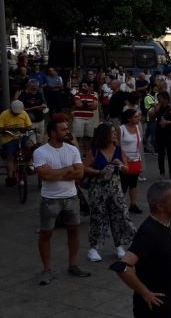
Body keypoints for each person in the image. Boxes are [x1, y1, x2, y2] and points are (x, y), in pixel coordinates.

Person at [110, 181, 171, 318]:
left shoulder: (164, 223)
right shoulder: (149, 233)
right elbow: (122, 266)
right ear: (160, 206)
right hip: (153, 307)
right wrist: (144, 292)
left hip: (168, 298)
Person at [33, 119, 90, 285]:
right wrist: (67, 170)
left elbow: (79, 174)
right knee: (46, 233)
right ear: (52, 132)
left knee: (74, 232)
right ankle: (47, 269)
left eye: (67, 128)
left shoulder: (72, 149)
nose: (67, 131)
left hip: (71, 197)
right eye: (63, 129)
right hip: (50, 199)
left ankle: (73, 265)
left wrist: (55, 173)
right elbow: (46, 176)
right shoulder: (41, 152)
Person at [82, 123, 136, 263]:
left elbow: (127, 169)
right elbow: (84, 168)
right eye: (111, 132)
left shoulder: (118, 150)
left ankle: (119, 245)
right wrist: (99, 171)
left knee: (120, 215)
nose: (115, 134)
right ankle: (94, 248)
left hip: (115, 189)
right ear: (103, 134)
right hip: (97, 189)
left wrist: (121, 165)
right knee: (98, 217)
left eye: (115, 132)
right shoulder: (94, 151)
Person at [0, 100, 33, 183]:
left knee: (31, 147)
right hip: (9, 138)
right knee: (10, 156)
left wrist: (27, 129)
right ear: (10, 109)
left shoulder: (24, 113)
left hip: (22, 136)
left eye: (18, 113)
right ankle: (10, 177)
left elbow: (29, 126)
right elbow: (1, 127)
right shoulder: (4, 114)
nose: (16, 115)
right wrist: (5, 130)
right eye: (15, 113)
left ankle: (29, 165)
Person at [149, 92, 171, 179]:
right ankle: (162, 172)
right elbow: (151, 120)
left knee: (170, 154)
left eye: (160, 99)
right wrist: (154, 112)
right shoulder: (157, 108)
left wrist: (168, 122)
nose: (158, 100)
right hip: (159, 133)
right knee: (161, 154)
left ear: (166, 99)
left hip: (169, 133)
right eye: (158, 99)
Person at [120, 109, 144, 213]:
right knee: (123, 184)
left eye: (138, 116)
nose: (138, 118)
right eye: (135, 117)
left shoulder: (138, 128)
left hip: (135, 159)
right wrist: (124, 158)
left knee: (133, 184)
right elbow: (117, 145)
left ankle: (133, 204)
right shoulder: (121, 129)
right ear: (128, 118)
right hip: (124, 160)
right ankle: (119, 205)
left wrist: (139, 159)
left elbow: (138, 145)